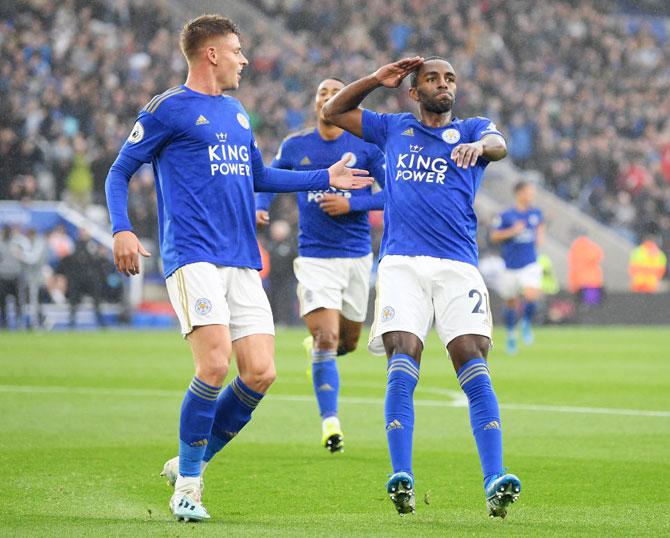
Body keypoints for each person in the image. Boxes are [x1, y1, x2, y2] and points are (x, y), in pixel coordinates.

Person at [104, 15, 371, 522]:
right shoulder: (169, 109)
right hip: (193, 255)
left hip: (241, 258)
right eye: (237, 50)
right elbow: (120, 170)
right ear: (211, 54)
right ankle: (188, 487)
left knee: (261, 372)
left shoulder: (237, 112)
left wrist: (325, 174)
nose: (244, 60)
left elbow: (261, 175)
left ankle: (190, 460)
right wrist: (121, 228)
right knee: (213, 365)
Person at [323, 56, 521, 518]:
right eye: (432, 78)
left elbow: (499, 143)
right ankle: (401, 475)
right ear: (414, 91)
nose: (442, 84)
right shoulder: (393, 129)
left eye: (450, 77)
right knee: (403, 354)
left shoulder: (472, 129)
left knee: (472, 359)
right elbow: (333, 111)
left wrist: (483, 148)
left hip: (458, 265)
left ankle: (494, 479)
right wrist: (375, 79)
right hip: (401, 264)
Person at [256, 78, 386, 453]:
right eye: (322, 94)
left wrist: (353, 205)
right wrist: (261, 205)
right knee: (326, 338)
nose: (328, 98)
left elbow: (394, 192)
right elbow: (269, 176)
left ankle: (320, 351)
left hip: (357, 257)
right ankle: (331, 423)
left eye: (335, 93)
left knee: (347, 342)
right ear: (315, 105)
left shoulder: (364, 146)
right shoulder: (296, 145)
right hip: (314, 258)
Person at [490, 181, 545, 355]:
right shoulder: (506, 215)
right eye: (529, 192)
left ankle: (526, 323)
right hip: (510, 266)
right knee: (511, 303)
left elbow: (540, 232)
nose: (532, 195)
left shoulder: (536, 213)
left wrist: (539, 236)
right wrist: (513, 231)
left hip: (530, 263)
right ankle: (511, 335)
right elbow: (494, 236)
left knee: (531, 295)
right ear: (519, 193)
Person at [567, 234, 604, 306]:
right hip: (593, 283)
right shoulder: (593, 249)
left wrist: (572, 287)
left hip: (579, 284)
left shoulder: (574, 252)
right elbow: (599, 255)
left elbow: (573, 271)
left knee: (581, 307)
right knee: (593, 307)